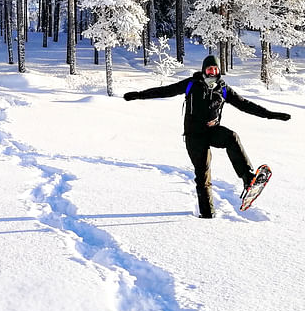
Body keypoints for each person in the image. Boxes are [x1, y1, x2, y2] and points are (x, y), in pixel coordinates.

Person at [123, 55, 291, 218]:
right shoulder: (191, 84)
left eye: (215, 69)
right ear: (204, 70)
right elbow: (165, 91)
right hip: (194, 136)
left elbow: (245, 105)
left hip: (212, 132)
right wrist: (139, 94)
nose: (212, 71)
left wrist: (271, 115)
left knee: (232, 137)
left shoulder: (223, 88)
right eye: (209, 68)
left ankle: (248, 179)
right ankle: (207, 214)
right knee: (203, 174)